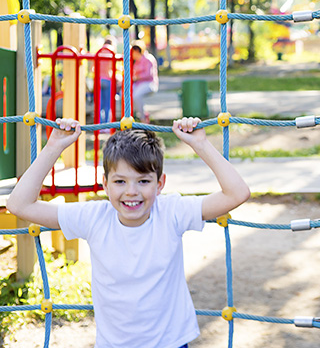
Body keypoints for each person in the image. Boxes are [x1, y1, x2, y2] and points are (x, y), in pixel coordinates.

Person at [7, 117, 251, 347]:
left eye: (143, 181)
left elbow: (237, 193)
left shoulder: (171, 212)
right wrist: (53, 147)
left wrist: (201, 144)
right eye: (120, 181)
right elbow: (19, 204)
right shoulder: (95, 217)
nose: (131, 191)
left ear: (160, 183)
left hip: (170, 342)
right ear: (105, 183)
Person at [131, 40, 159, 123]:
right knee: (125, 94)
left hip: (149, 83)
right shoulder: (137, 61)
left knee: (136, 96)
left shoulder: (148, 59)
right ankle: (140, 113)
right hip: (139, 84)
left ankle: (143, 118)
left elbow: (148, 74)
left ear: (136, 51)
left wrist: (136, 77)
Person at [96, 37, 118, 125]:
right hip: (108, 79)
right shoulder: (112, 52)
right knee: (107, 104)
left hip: (99, 79)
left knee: (99, 104)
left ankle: (99, 124)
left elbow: (92, 68)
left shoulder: (100, 52)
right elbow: (113, 68)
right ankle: (107, 124)